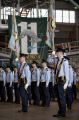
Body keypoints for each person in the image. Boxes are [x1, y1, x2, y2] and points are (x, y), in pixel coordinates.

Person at [53, 48, 69, 117]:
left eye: (57, 52)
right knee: (59, 97)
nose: (56, 53)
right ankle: (60, 111)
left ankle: (63, 113)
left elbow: (67, 72)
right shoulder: (58, 61)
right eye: (56, 52)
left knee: (62, 97)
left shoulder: (65, 61)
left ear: (61, 53)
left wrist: (67, 82)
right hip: (57, 81)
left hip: (62, 81)